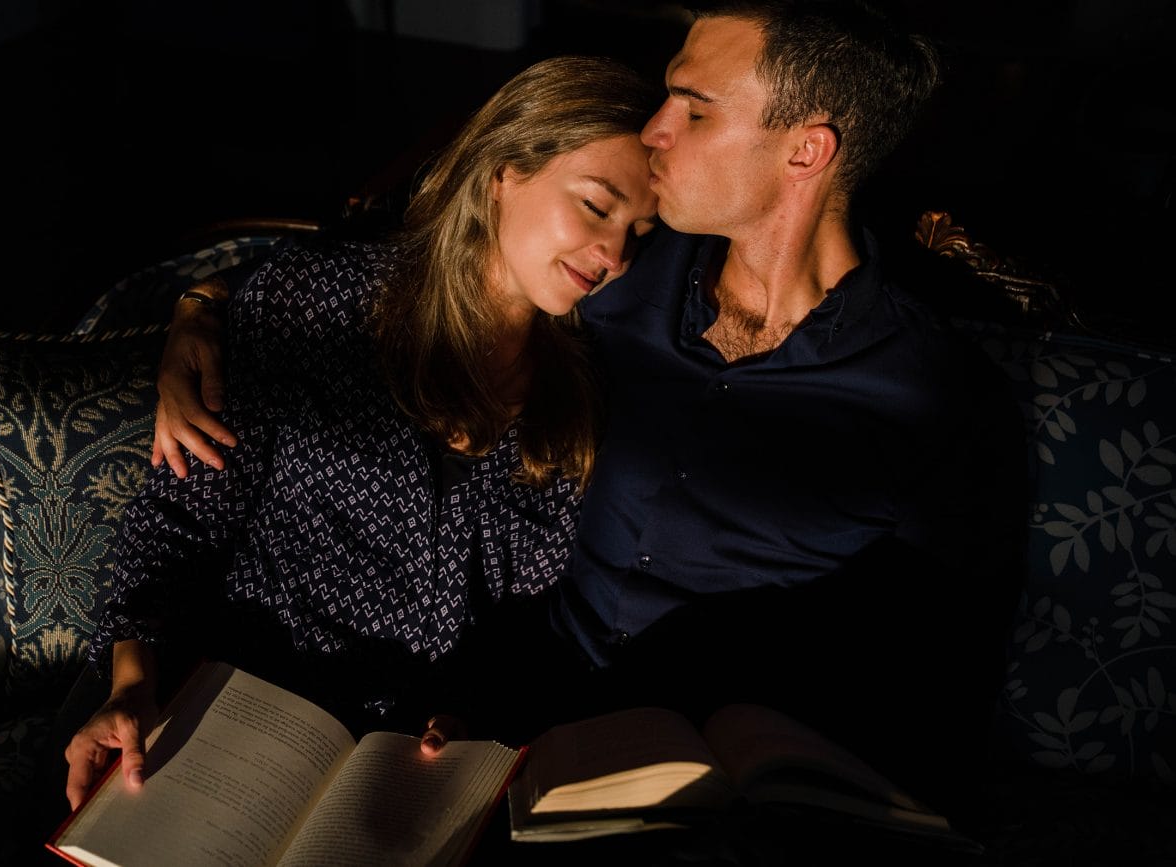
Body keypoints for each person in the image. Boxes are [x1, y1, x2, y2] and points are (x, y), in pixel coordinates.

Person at [152, 0, 1027, 835]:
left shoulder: (934, 396)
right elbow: (428, 238)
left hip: (740, 791)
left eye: (692, 108)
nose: (655, 128)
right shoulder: (617, 274)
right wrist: (203, 307)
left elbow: (945, 687)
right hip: (524, 735)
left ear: (805, 152)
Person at [61, 54, 660, 813]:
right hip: (234, 715)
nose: (613, 255)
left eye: (639, 231)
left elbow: (531, 622)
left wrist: (472, 713)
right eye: (597, 206)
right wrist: (132, 681)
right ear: (503, 170)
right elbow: (178, 518)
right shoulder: (326, 305)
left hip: (408, 772)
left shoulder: (580, 393)